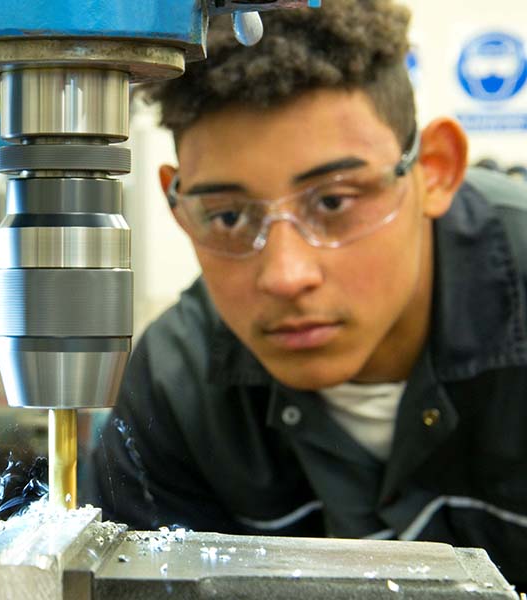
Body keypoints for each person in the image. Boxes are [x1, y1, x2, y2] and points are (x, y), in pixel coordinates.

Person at [86, 0, 527, 589]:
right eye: (227, 215)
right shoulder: (173, 394)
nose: (285, 274)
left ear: (435, 170)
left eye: (334, 202)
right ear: (178, 205)